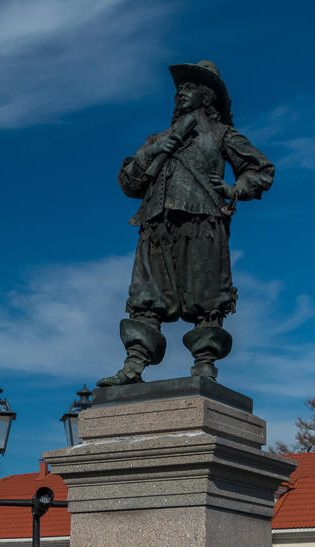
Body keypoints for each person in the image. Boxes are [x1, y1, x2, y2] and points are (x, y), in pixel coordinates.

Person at [97, 60, 275, 386]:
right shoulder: (157, 138)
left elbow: (261, 169)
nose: (181, 92)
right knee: (146, 298)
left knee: (208, 299)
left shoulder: (222, 135)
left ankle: (205, 365)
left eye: (190, 87)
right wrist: (148, 154)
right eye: (179, 88)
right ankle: (134, 363)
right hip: (156, 224)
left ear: (206, 97)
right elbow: (129, 184)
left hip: (203, 224)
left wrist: (236, 189)